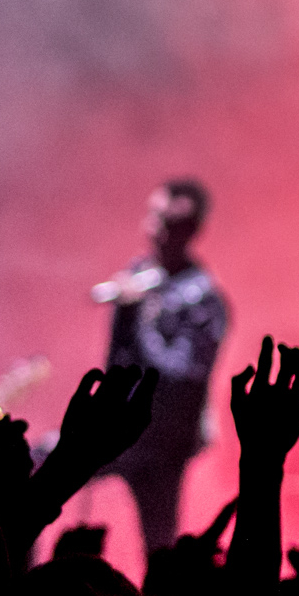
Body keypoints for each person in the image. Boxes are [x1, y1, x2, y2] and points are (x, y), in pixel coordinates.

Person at [89, 179, 229, 553]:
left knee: (159, 544)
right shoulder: (141, 273)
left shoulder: (204, 300)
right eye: (156, 217)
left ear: (192, 230)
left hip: (161, 442)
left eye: (171, 222)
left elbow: (183, 372)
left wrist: (142, 317)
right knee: (35, 471)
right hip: (117, 427)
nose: (159, 230)